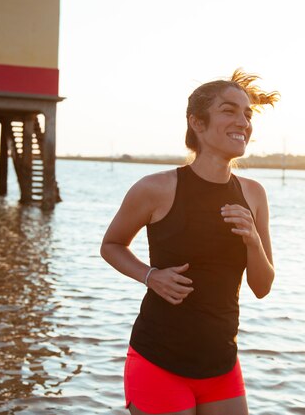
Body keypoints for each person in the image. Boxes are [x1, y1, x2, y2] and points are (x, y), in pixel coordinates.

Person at [101, 69, 279, 415]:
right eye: (229, 110)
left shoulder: (253, 194)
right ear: (197, 123)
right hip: (158, 360)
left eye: (247, 113)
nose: (242, 121)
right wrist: (150, 275)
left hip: (221, 364)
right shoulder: (156, 188)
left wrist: (254, 241)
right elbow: (111, 244)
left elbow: (263, 286)